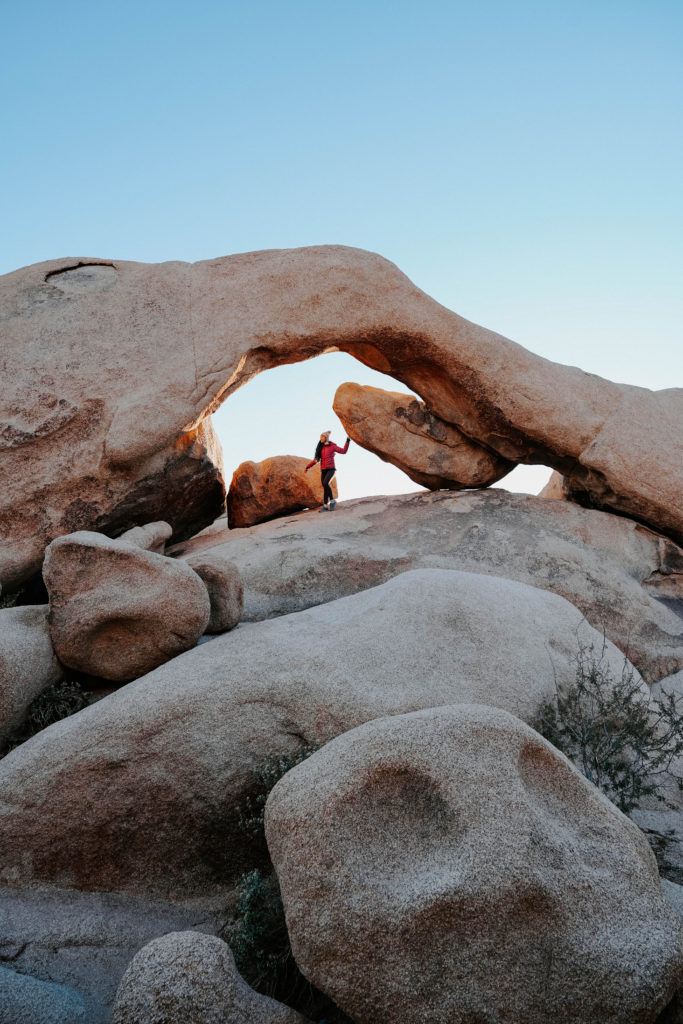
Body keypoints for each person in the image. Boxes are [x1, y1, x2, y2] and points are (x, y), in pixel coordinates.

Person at [305, 430, 351, 511]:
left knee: (326, 483)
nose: (320, 438)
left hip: (331, 469)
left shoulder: (332, 446)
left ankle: (332, 501)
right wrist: (307, 467)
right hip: (323, 470)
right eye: (320, 437)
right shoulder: (321, 448)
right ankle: (325, 505)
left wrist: (347, 440)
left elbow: (344, 451)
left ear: (326, 438)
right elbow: (316, 460)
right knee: (325, 486)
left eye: (322, 437)